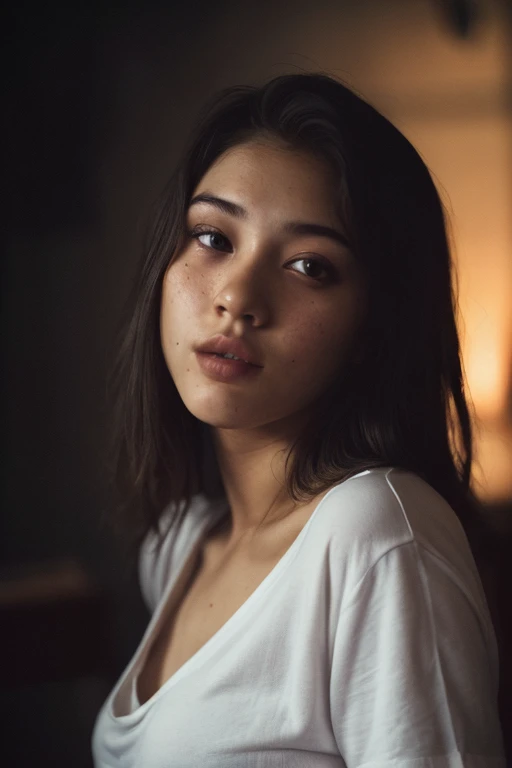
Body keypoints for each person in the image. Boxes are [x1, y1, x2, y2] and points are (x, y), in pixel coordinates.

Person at [92, 72, 506, 767]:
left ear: (372, 329)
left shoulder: (377, 537)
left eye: (310, 265)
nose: (238, 297)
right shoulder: (180, 543)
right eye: (213, 237)